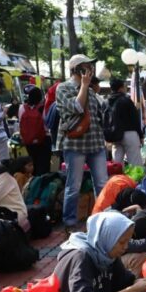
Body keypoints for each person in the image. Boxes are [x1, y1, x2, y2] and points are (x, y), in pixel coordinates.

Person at [56, 54, 109, 230]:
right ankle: (69, 222)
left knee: (102, 183)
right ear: (76, 69)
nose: (91, 69)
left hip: (96, 143)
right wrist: (85, 86)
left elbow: (99, 115)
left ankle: (102, 218)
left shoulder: (92, 91)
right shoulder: (63, 88)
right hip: (75, 144)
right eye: (87, 66)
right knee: (74, 186)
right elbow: (77, 107)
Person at [107, 78, 144, 167]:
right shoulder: (126, 100)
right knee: (135, 164)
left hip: (115, 135)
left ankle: (117, 180)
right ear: (121, 88)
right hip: (130, 134)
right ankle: (135, 181)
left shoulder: (107, 101)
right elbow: (135, 119)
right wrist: (141, 135)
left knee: (117, 164)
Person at [19, 84, 52, 175]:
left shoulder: (22, 107)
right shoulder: (42, 107)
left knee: (33, 162)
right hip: (43, 139)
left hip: (28, 140)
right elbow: (47, 123)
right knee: (44, 163)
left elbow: (20, 122)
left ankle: (34, 181)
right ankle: (43, 181)